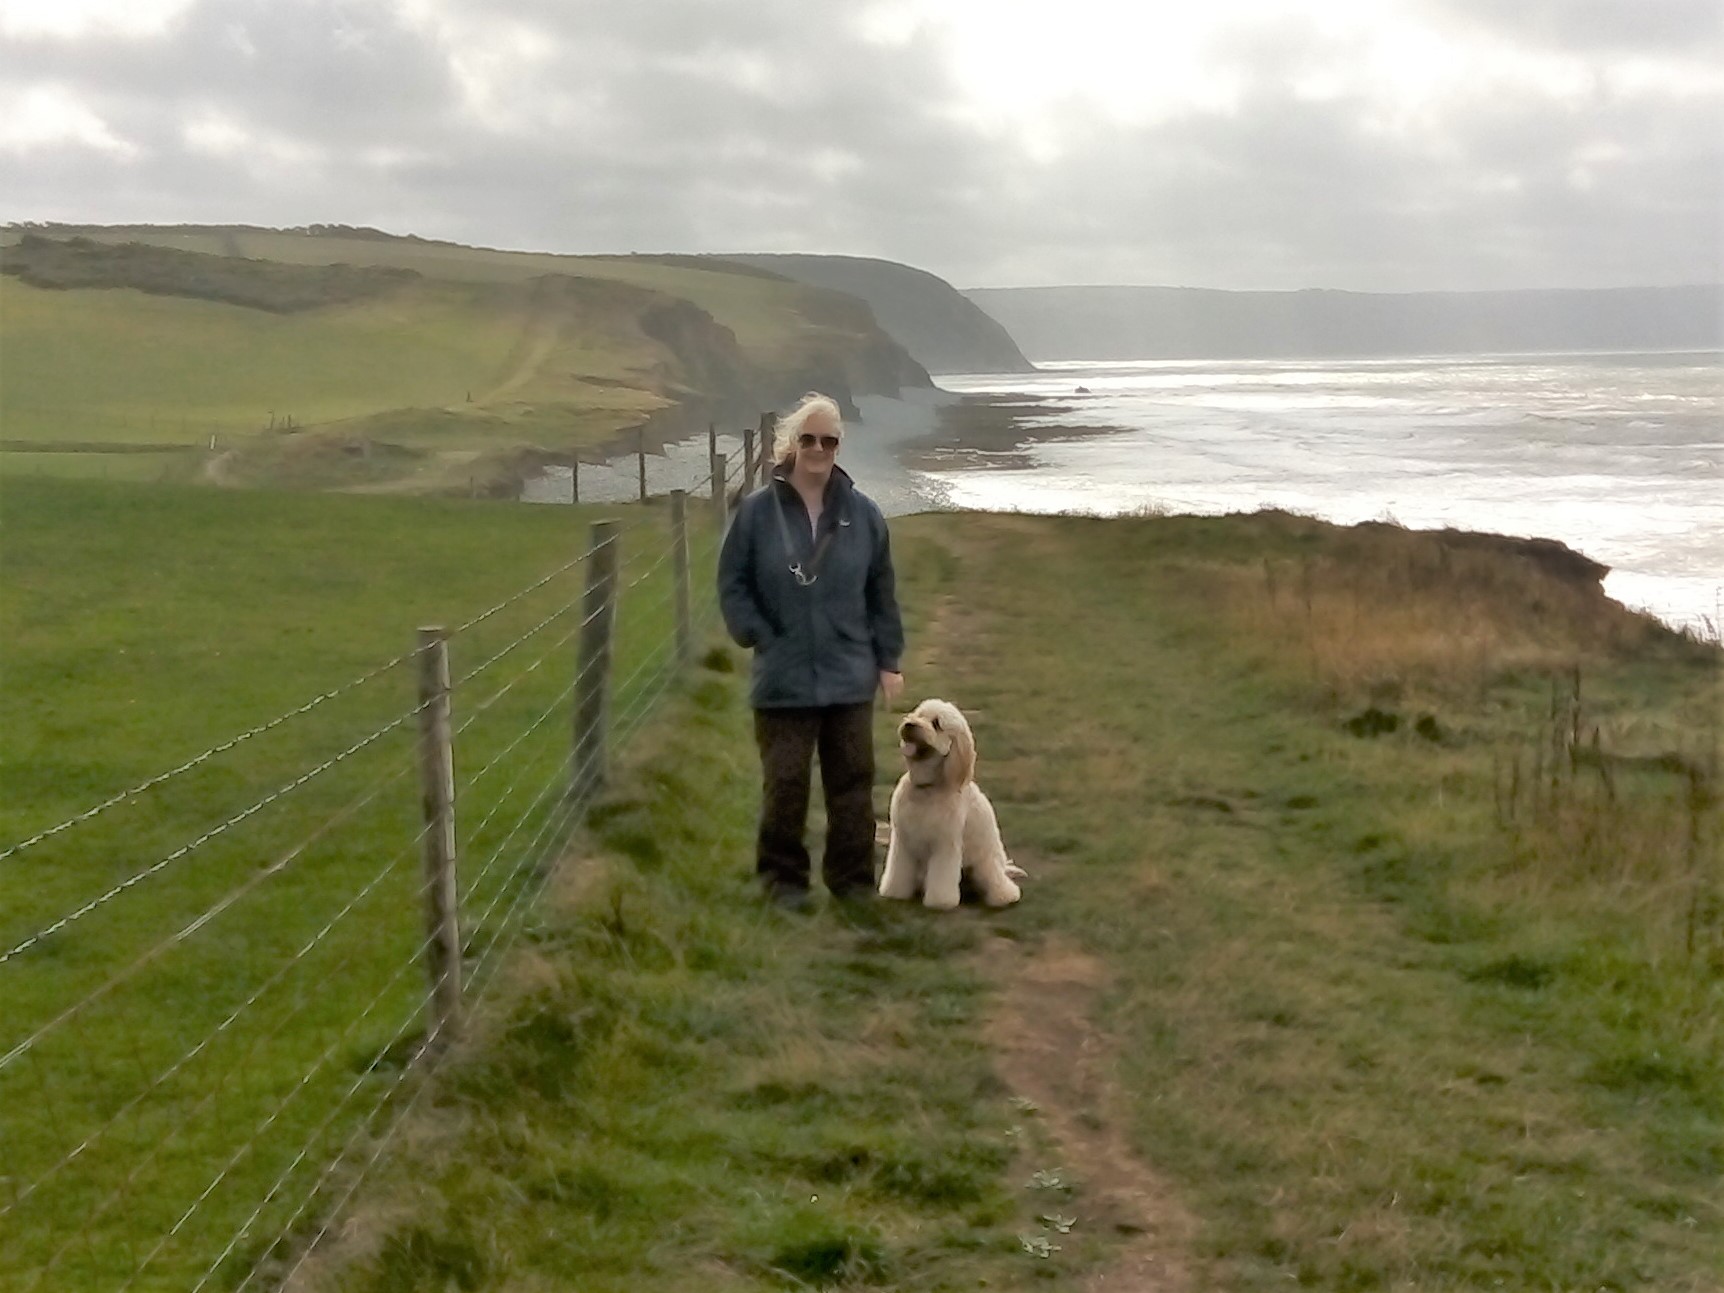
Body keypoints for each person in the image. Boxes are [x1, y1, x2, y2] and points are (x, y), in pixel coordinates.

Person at [718, 393, 905, 908]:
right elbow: (732, 581)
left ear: (839, 446)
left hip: (849, 673)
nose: (819, 448)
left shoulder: (865, 515)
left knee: (852, 785)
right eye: (808, 438)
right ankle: (782, 883)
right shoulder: (755, 513)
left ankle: (853, 884)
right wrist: (755, 632)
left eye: (829, 440)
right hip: (782, 676)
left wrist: (888, 661)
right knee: (786, 784)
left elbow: (880, 592)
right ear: (790, 445)